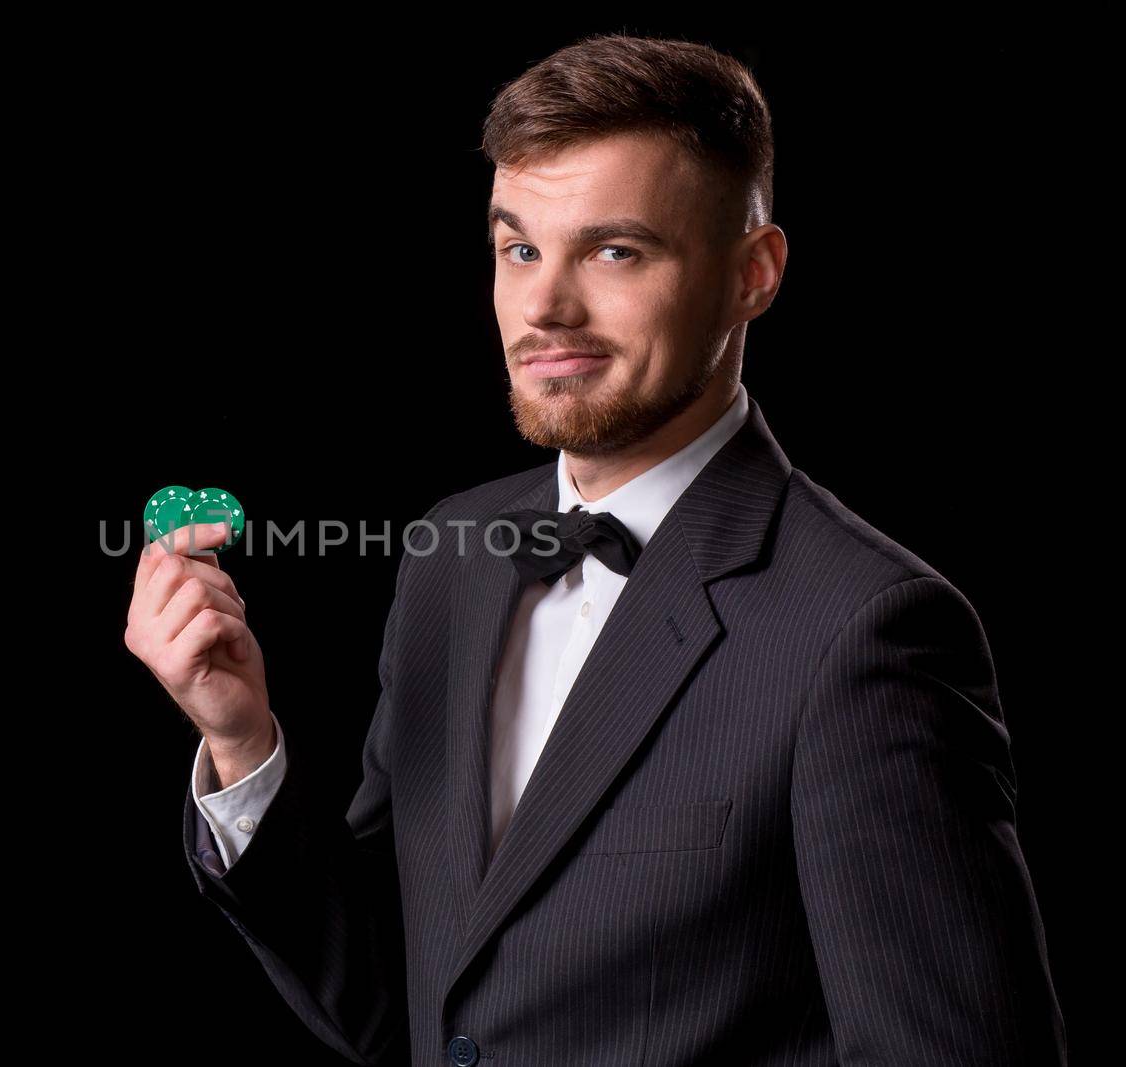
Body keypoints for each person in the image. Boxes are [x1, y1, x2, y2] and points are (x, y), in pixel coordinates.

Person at [124, 32, 1066, 1066]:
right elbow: (416, 1001)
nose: (543, 307)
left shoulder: (865, 629)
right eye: (518, 247)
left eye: (614, 250)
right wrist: (243, 744)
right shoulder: (451, 555)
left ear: (753, 274)